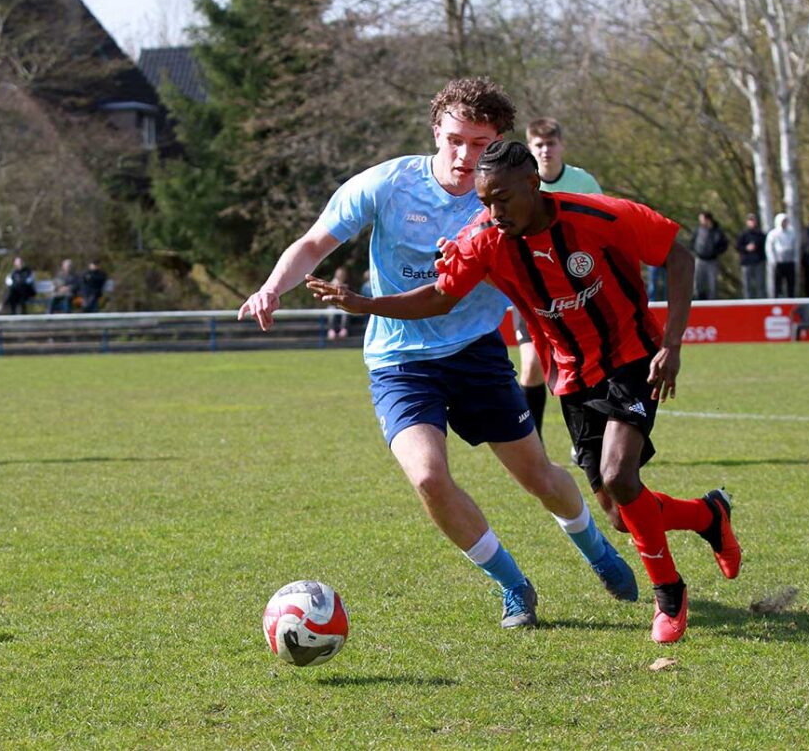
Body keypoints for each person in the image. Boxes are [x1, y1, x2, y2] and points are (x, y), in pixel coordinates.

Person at [238, 78, 637, 630]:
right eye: (454, 140)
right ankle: (513, 585)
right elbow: (313, 243)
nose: (464, 156)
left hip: (476, 353)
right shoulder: (387, 184)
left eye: (479, 144)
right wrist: (272, 287)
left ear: (499, 144)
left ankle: (596, 549)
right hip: (399, 360)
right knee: (428, 478)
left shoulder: (513, 201)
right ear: (435, 133)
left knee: (539, 478)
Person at [307, 140, 743, 644]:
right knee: (620, 514)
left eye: (503, 199)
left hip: (632, 357)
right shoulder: (484, 240)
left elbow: (679, 257)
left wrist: (672, 345)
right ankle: (708, 515)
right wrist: (365, 304)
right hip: (573, 376)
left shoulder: (600, 216)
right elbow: (440, 297)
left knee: (618, 475)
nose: (494, 212)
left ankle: (669, 595)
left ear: (534, 184)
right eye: (484, 201)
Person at [520, 117, 603, 439]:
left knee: (586, 366)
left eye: (550, 144)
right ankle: (534, 445)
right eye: (539, 145)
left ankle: (587, 438)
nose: (545, 150)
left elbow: (602, 227)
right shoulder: (520, 184)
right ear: (530, 148)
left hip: (577, 291)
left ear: (561, 145)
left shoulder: (583, 182)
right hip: (531, 291)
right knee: (531, 366)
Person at [690, 212, 728, 300]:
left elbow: (724, 245)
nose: (700, 221)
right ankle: (699, 301)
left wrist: (716, 252)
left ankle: (712, 302)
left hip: (712, 261)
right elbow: (692, 242)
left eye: (702, 219)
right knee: (698, 283)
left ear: (708, 220)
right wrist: (696, 251)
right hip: (700, 260)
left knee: (713, 284)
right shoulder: (698, 230)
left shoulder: (718, 231)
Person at [735, 213, 767, 299]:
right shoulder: (743, 234)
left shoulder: (761, 234)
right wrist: (746, 248)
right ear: (747, 222)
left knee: (760, 284)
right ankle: (747, 301)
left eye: (753, 220)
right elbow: (738, 246)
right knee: (747, 284)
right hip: (747, 262)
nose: (752, 222)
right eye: (750, 220)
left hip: (758, 262)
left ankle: (761, 301)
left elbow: (765, 247)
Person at [765, 213, 796, 298]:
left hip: (789, 261)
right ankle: (777, 299)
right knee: (777, 283)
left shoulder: (791, 233)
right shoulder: (773, 234)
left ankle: (791, 299)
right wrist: (772, 260)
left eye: (785, 221)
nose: (784, 223)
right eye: (783, 221)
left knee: (790, 283)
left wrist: (795, 258)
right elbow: (769, 248)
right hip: (778, 262)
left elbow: (794, 246)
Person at [326, 266, 350, 340]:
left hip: (343, 306)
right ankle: (331, 330)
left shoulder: (347, 285)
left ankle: (344, 329)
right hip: (333, 305)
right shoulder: (331, 284)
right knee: (331, 311)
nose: (341, 275)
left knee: (346, 312)